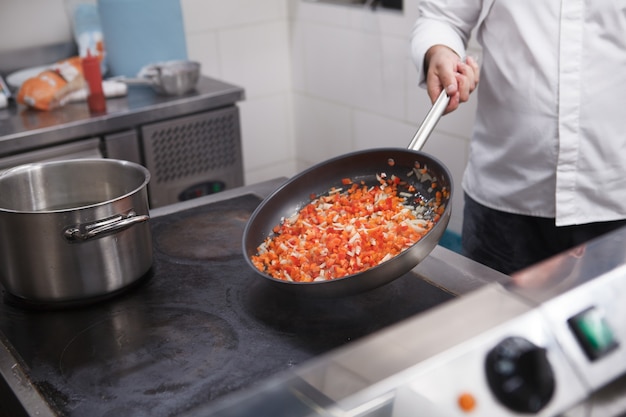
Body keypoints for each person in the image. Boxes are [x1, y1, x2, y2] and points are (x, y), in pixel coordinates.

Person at [411, 1, 626, 275]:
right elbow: (441, 17)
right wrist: (441, 50)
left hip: (614, 199)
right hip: (504, 204)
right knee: (492, 314)